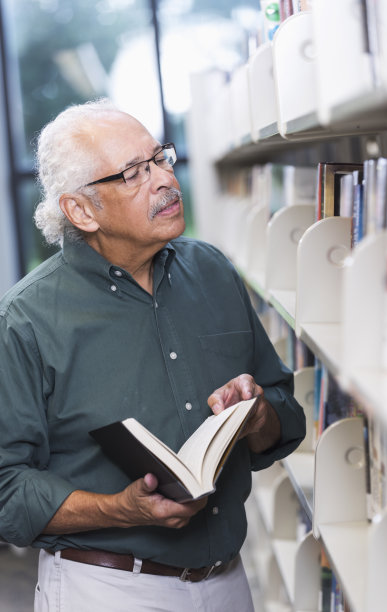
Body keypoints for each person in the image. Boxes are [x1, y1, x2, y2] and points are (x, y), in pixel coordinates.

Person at [0, 99, 305, 612]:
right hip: (108, 590)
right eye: (134, 173)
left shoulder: (212, 270)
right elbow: (6, 489)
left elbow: (287, 413)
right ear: (81, 210)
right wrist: (120, 511)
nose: (165, 179)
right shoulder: (24, 321)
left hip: (230, 579)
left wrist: (257, 415)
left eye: (160, 157)